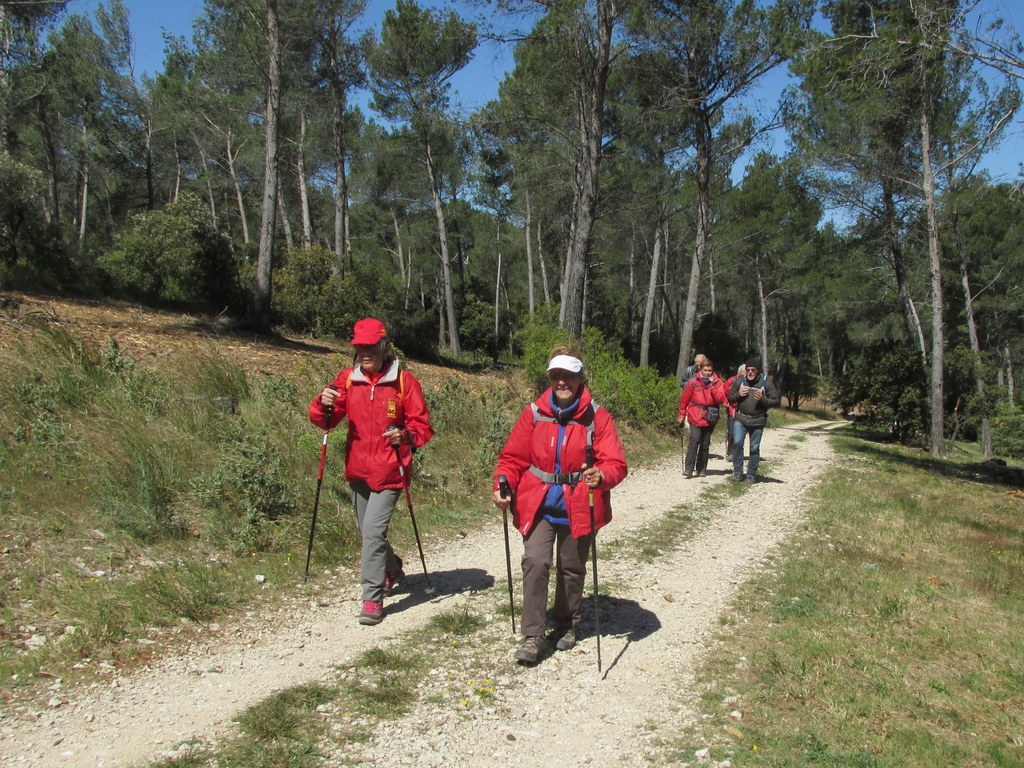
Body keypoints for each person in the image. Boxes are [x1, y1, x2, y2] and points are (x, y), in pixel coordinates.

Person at [492, 347, 628, 664]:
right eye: (556, 376)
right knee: (536, 562)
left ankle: (566, 623)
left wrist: (601, 475)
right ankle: (533, 635)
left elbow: (616, 463)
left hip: (580, 503)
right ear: (550, 378)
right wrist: (503, 482)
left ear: (581, 378)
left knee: (571, 569)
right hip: (538, 503)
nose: (562, 381)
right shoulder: (534, 413)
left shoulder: (597, 416)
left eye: (569, 376)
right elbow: (511, 458)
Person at [308, 318, 434, 626]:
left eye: (372, 347)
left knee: (373, 533)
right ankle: (391, 568)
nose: (366, 353)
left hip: (391, 471)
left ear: (384, 347)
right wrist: (321, 402)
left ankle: (372, 597)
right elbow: (326, 420)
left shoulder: (404, 382)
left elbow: (423, 428)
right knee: (368, 533)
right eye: (360, 347)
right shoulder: (347, 380)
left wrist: (404, 435)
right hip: (358, 471)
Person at [727, 358, 781, 484]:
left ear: (758, 371)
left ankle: (751, 475)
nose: (750, 372)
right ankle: (737, 472)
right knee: (737, 443)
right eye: (748, 370)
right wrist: (739, 394)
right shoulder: (740, 381)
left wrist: (763, 399)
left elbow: (777, 401)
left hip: (758, 420)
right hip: (741, 418)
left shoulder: (766, 383)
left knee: (754, 447)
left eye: (753, 370)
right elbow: (730, 398)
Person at [677, 358, 727, 478]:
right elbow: (684, 400)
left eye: (710, 370)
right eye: (705, 370)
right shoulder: (693, 382)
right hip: (695, 414)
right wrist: (681, 414)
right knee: (695, 439)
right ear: (700, 369)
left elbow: (720, 399)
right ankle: (689, 468)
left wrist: (713, 386)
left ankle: (701, 469)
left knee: (705, 443)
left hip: (710, 416)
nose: (708, 373)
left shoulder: (717, 382)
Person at [723, 364, 746, 462]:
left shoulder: (749, 382)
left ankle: (736, 452)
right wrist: (725, 403)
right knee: (731, 432)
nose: (744, 377)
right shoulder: (731, 381)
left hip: (744, 410)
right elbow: (724, 392)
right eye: (742, 375)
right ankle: (730, 452)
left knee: (740, 433)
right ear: (739, 373)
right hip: (732, 409)